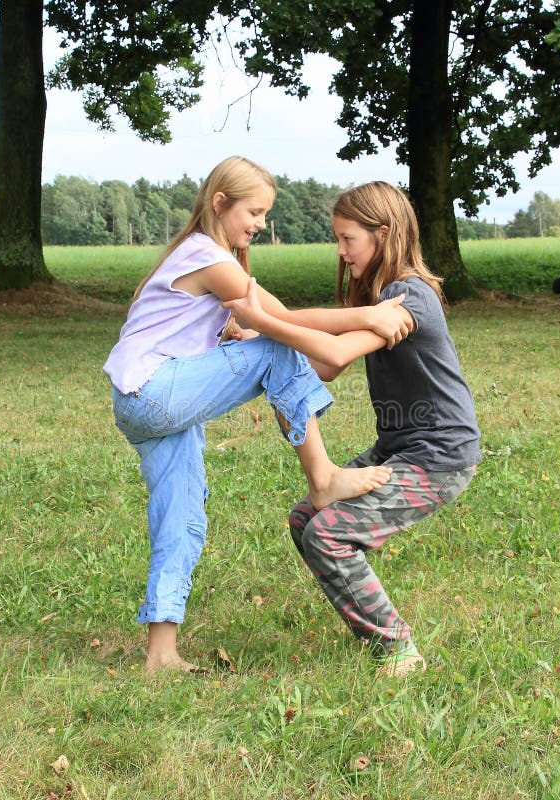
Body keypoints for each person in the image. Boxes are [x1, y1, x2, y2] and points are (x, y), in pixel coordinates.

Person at [104, 157, 412, 674]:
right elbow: (283, 321)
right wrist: (370, 316)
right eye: (254, 211)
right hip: (154, 392)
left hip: (137, 400)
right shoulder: (209, 256)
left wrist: (240, 333)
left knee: (180, 515)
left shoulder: (200, 255)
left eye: (265, 214)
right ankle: (324, 478)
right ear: (220, 203)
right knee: (276, 347)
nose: (260, 225)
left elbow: (213, 327)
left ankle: (161, 653)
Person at [224, 181, 481, 678]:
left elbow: (336, 352)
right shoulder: (381, 298)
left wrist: (262, 318)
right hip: (400, 449)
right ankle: (375, 629)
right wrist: (257, 338)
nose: (340, 252)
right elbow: (324, 367)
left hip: (440, 457)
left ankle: (399, 649)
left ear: (383, 234)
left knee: (329, 535)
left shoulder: (410, 297)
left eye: (348, 239)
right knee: (307, 521)